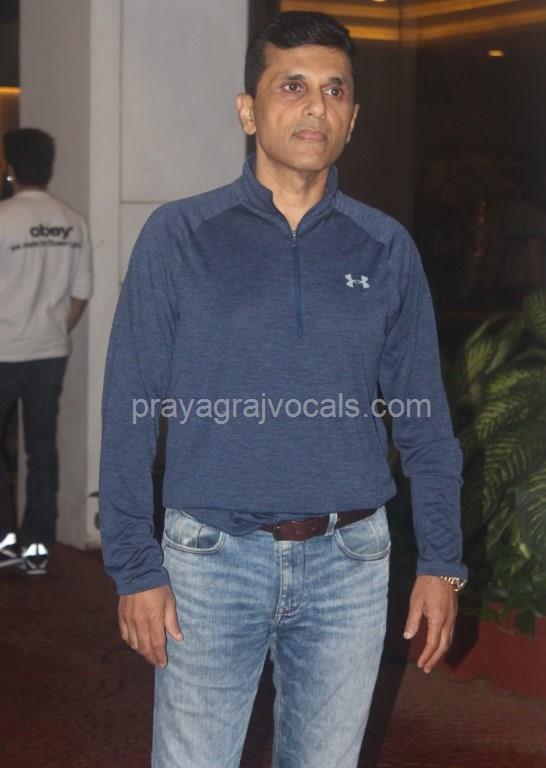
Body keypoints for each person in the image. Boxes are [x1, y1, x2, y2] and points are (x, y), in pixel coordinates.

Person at [99, 11, 468, 768]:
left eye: (335, 90)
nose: (316, 107)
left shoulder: (385, 247)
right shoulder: (180, 235)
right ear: (248, 109)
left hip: (351, 564)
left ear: (353, 117)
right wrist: (134, 566)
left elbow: (425, 420)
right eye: (292, 86)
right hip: (209, 560)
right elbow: (129, 408)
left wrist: (441, 561)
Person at [0, 128, 92, 575]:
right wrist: (55, 330)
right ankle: (36, 547)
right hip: (50, 351)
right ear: (49, 167)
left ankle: (3, 542)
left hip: (3, 351)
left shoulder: (3, 218)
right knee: (41, 449)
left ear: (9, 167)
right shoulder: (73, 221)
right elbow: (80, 294)